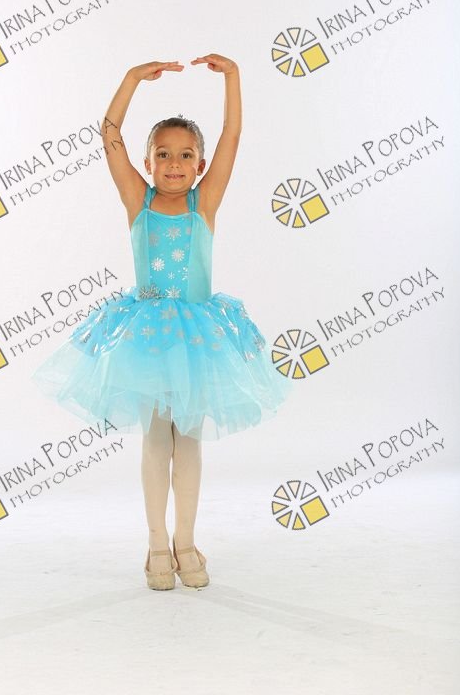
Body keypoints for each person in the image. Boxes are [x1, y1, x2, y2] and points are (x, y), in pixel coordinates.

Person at [31, 54, 291, 591]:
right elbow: (109, 135)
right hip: (147, 338)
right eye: (164, 155)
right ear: (148, 164)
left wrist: (234, 78)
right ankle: (156, 545)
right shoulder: (139, 201)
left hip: (198, 338)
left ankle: (186, 542)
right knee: (156, 441)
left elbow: (233, 136)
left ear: (201, 165)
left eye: (186, 155)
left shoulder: (205, 202)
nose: (175, 164)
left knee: (188, 441)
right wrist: (130, 80)